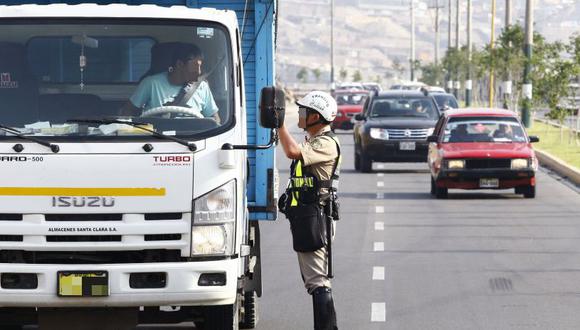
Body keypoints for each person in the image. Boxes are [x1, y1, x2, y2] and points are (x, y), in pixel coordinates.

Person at [278, 91, 341, 330]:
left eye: (304, 111)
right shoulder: (315, 140)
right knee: (314, 280)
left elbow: (292, 152)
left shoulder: (325, 143)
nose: (300, 114)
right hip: (307, 216)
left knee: (318, 282)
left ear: (315, 116)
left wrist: (279, 125)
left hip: (316, 217)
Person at [120, 43, 220, 123]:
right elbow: (127, 111)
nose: (199, 72)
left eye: (200, 66)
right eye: (195, 66)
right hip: (157, 140)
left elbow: (215, 119)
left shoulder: (202, 86)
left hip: (194, 142)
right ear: (180, 64)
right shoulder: (151, 83)